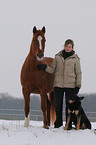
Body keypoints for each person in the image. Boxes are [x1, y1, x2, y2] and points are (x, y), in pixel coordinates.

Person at [37, 39, 82, 129]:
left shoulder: (75, 59)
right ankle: (58, 123)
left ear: (72, 48)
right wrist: (45, 67)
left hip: (70, 85)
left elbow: (79, 73)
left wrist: (78, 86)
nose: (68, 48)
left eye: (70, 47)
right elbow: (52, 69)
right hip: (58, 85)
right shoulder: (57, 57)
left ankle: (68, 124)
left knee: (68, 106)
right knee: (58, 105)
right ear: (64, 46)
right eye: (66, 46)